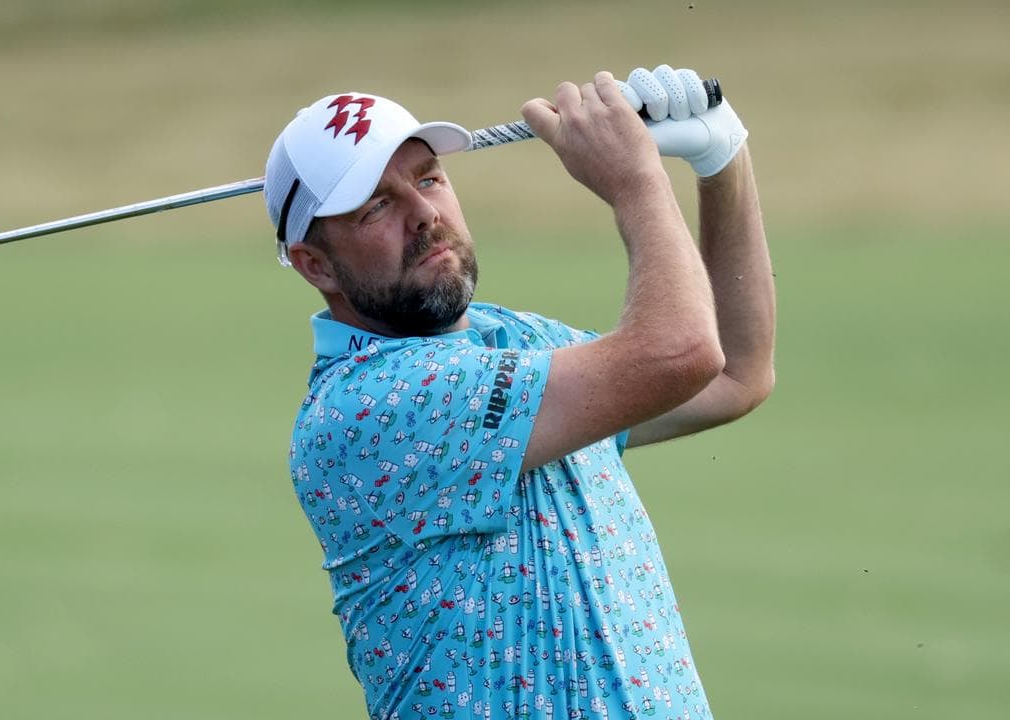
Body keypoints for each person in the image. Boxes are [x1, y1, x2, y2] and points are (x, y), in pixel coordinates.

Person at [264, 64, 774, 720]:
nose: (424, 214)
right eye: (377, 207)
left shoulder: (515, 340)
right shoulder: (367, 406)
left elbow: (733, 373)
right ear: (316, 265)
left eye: (428, 178)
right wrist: (637, 181)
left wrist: (722, 159)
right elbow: (678, 352)